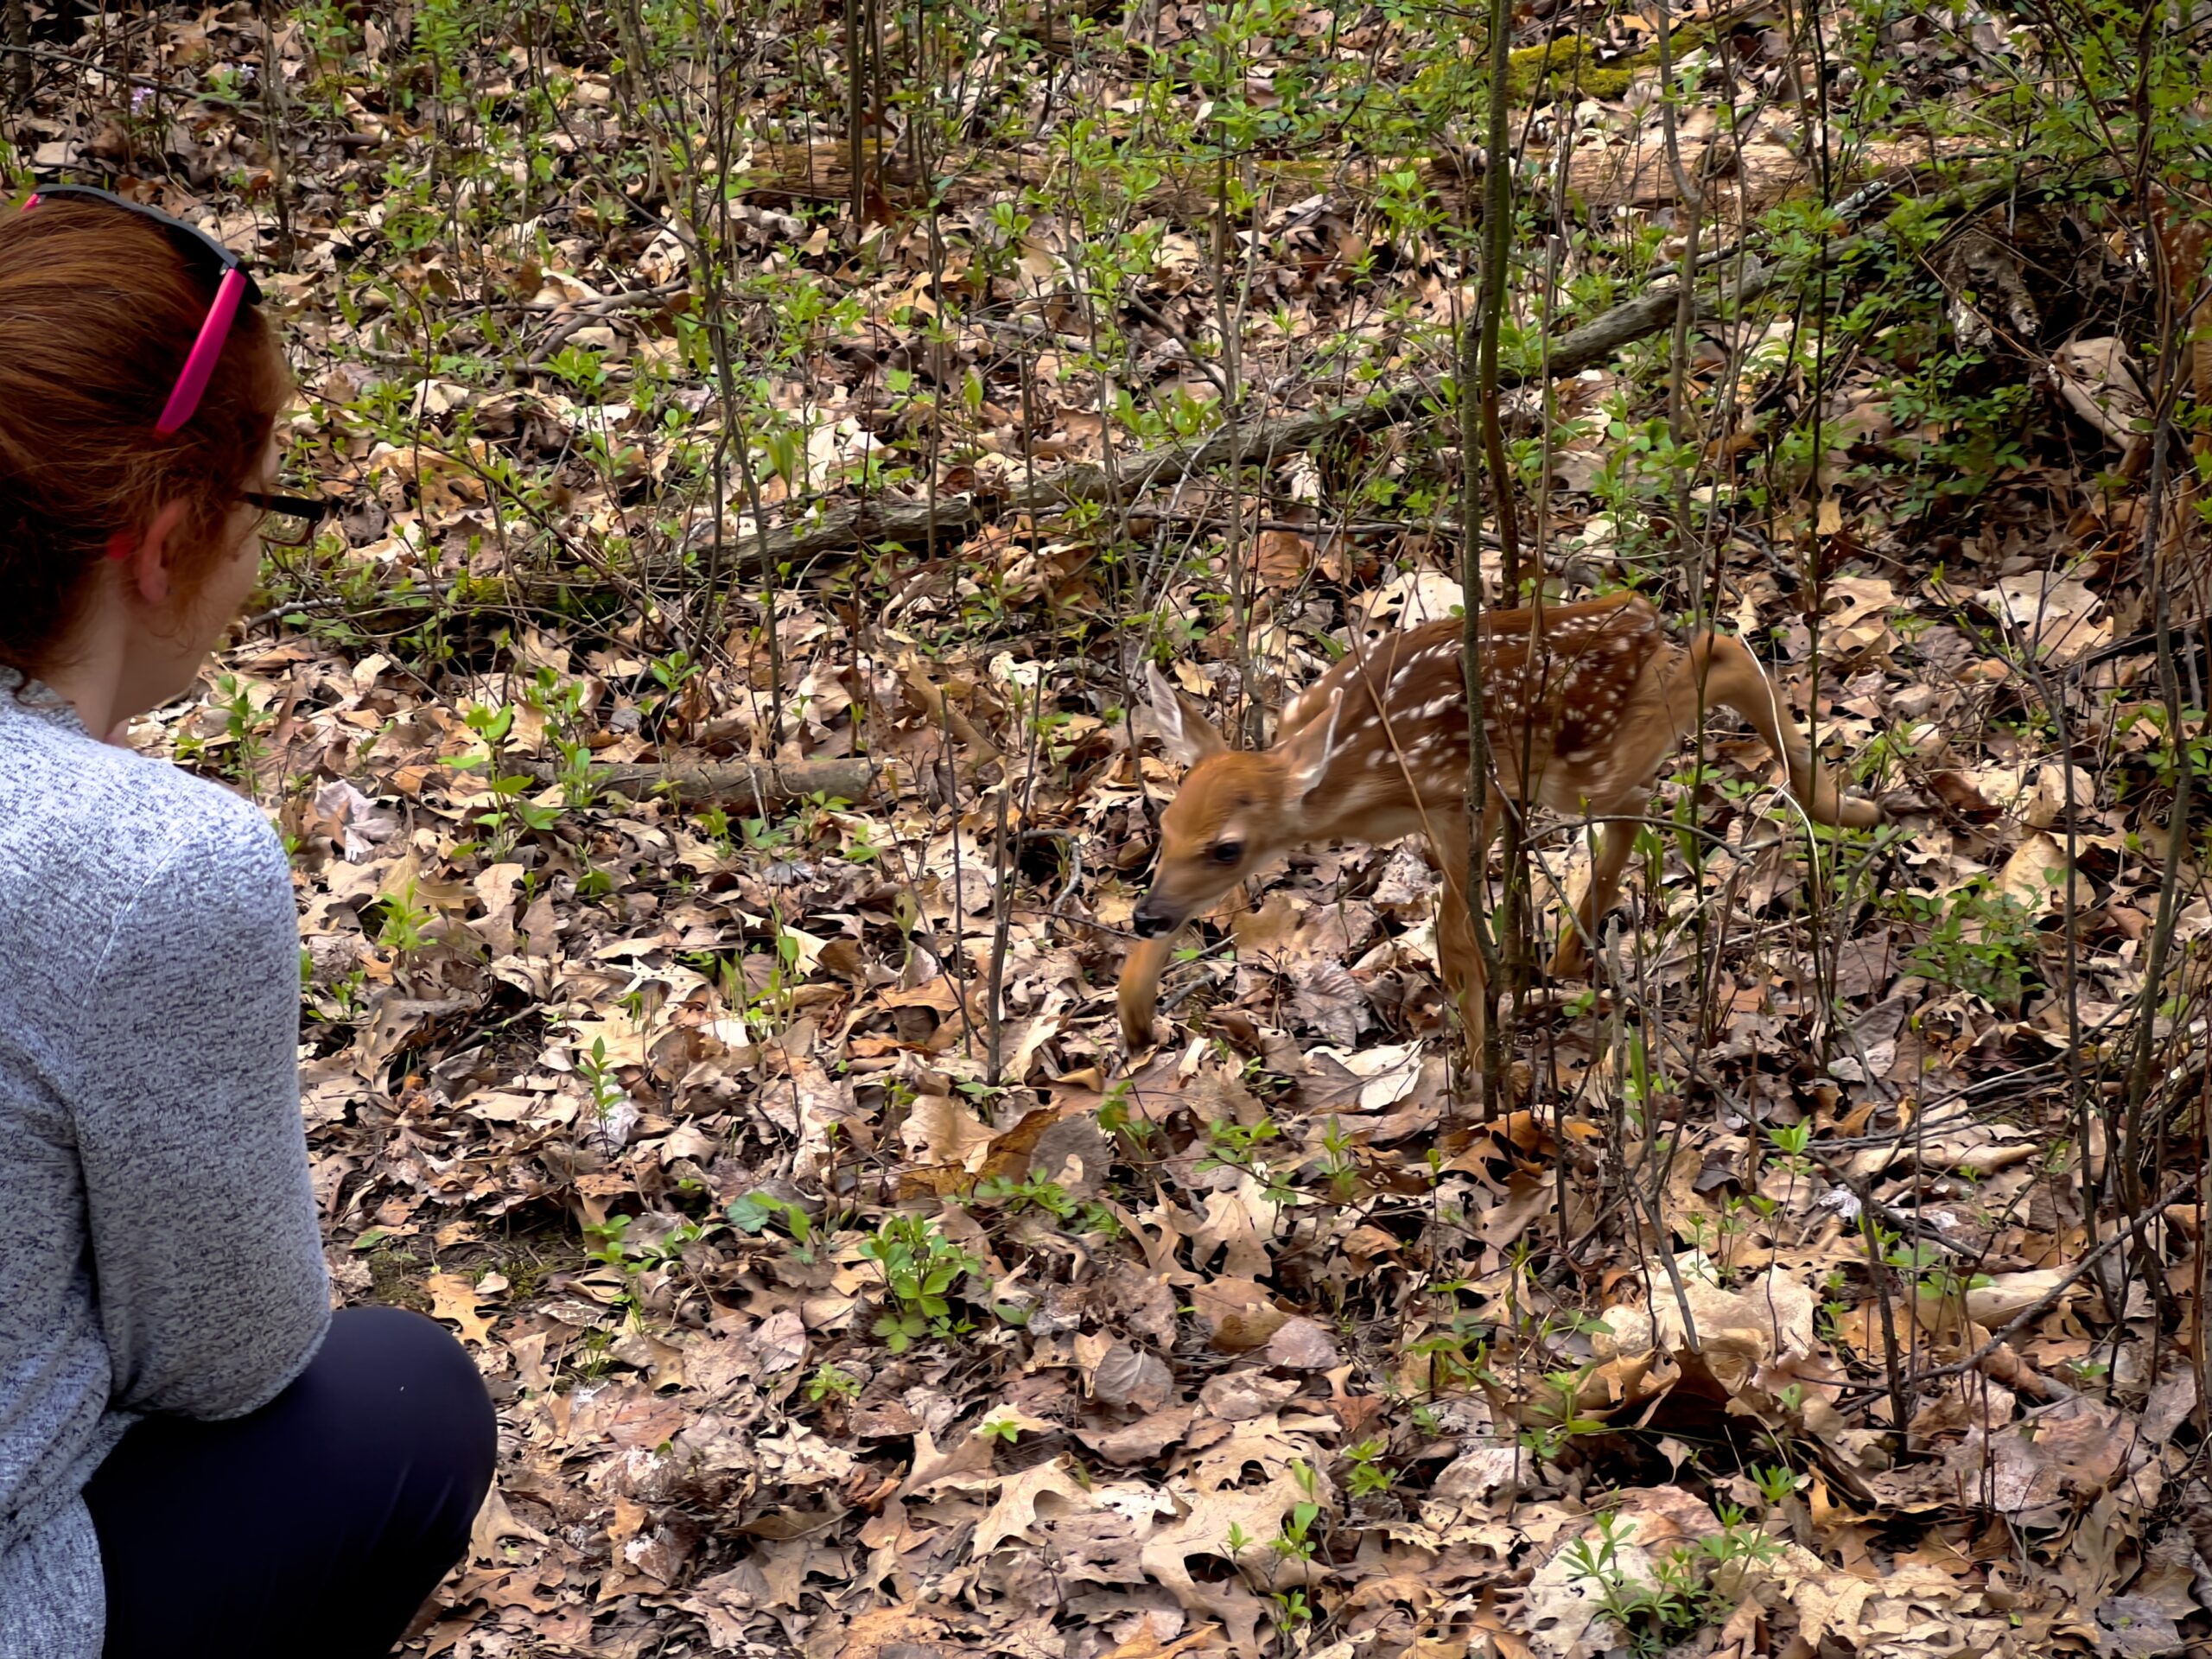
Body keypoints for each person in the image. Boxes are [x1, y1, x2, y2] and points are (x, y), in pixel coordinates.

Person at [0, 187, 496, 1658]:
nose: (263, 568)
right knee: (399, 1399)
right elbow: (231, 1357)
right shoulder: (147, 866)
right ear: (157, 544)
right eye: (266, 509)